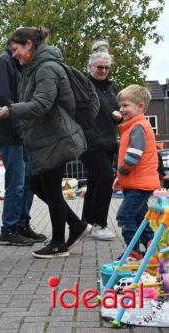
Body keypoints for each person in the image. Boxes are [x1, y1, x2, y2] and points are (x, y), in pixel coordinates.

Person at [0, 26, 91, 258]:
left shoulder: (47, 68)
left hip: (55, 136)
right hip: (45, 136)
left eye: (15, 49)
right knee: (37, 185)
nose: (13, 54)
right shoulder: (32, 68)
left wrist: (10, 110)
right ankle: (76, 225)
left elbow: (42, 104)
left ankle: (58, 244)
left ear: (28, 45)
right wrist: (8, 108)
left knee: (51, 189)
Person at [0, 42, 46, 246]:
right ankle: (9, 228)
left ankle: (22, 223)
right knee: (17, 182)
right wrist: (21, 123)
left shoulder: (17, 64)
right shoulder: (5, 62)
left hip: (20, 134)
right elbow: (2, 97)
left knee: (27, 181)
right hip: (10, 134)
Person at [81, 41, 122, 241]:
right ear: (90, 67)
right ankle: (99, 224)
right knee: (106, 178)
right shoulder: (84, 86)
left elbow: (117, 110)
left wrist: (120, 115)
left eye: (106, 67)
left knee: (95, 181)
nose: (103, 70)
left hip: (108, 142)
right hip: (90, 141)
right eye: (99, 67)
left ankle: (87, 222)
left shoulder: (111, 88)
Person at [113, 85, 159, 260]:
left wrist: (122, 171)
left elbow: (134, 154)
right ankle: (150, 246)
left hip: (140, 182)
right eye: (120, 106)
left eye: (125, 105)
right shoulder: (134, 125)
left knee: (125, 215)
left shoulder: (138, 126)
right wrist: (120, 178)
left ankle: (133, 251)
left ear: (140, 106)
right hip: (138, 181)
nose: (121, 109)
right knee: (140, 216)